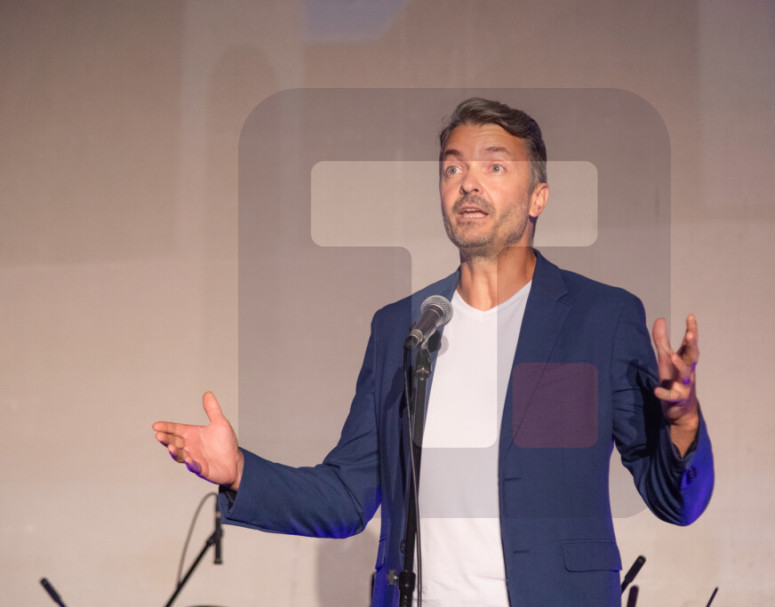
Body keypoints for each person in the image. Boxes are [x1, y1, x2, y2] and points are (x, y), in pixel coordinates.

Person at [153, 97, 714, 607]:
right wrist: (239, 471)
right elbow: (348, 496)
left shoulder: (600, 319)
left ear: (538, 197)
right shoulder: (402, 329)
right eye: (452, 169)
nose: (468, 184)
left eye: (495, 167)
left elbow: (675, 501)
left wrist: (684, 422)